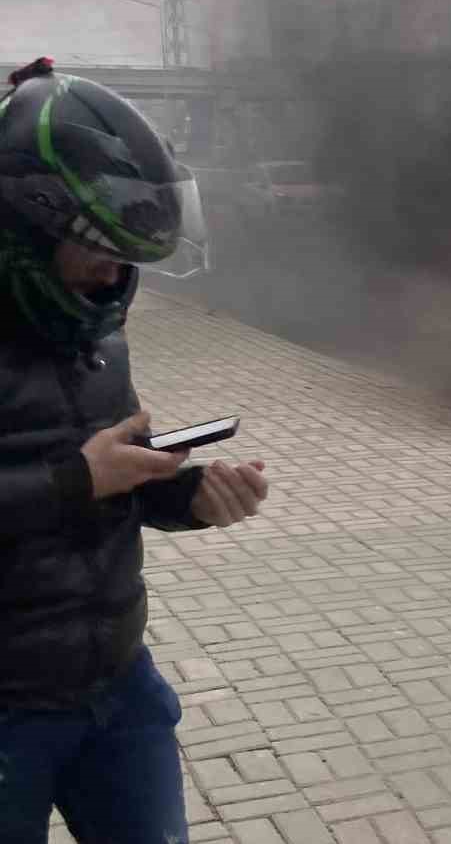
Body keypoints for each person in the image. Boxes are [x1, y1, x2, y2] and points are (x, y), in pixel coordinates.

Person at [0, 58, 270, 843]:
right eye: (99, 247)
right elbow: (80, 477)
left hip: (119, 691)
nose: (117, 275)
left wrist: (186, 496)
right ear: (27, 223)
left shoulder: (96, 333)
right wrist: (75, 476)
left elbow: (114, 476)